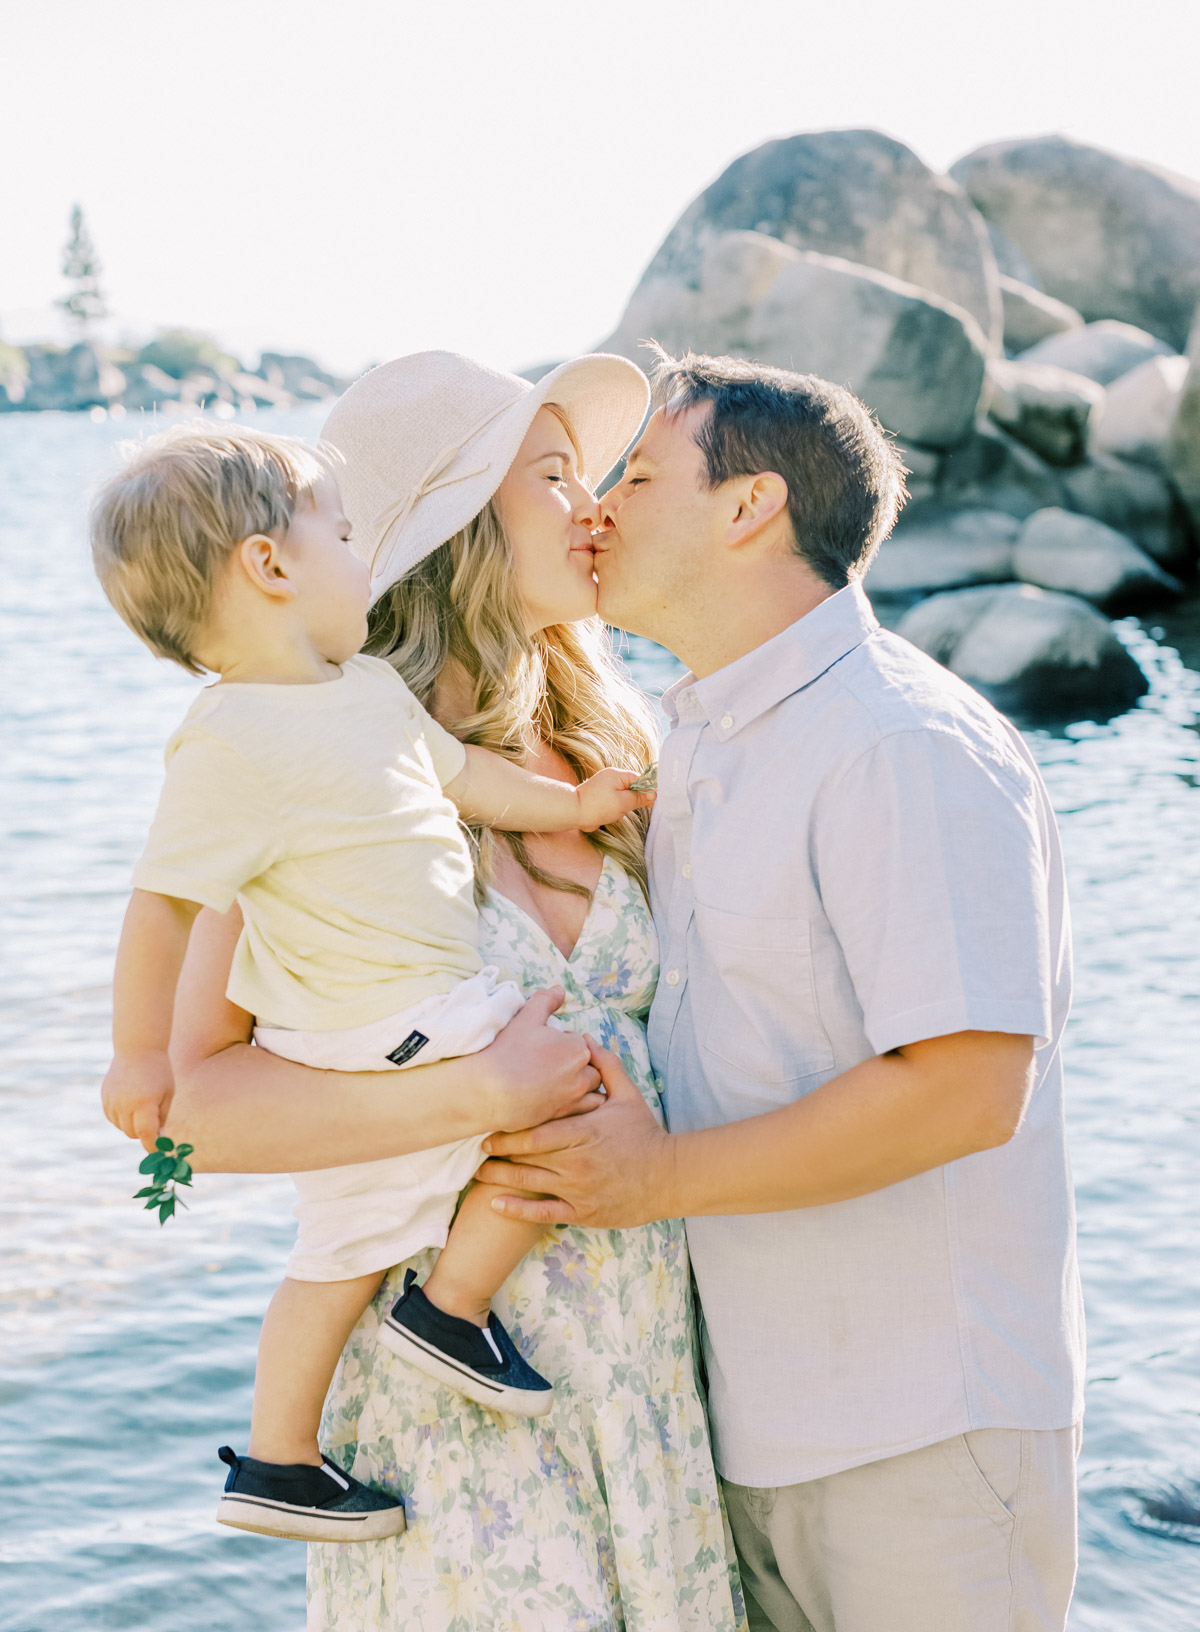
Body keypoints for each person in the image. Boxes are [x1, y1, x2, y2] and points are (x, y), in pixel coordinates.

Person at [478, 350, 1085, 1632]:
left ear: (749, 508)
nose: (597, 509)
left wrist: (653, 1181)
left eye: (635, 477)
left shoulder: (897, 744)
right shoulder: (696, 738)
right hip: (754, 1422)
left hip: (924, 1428)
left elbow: (971, 1089)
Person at [164, 352, 746, 1629]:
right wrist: (475, 1093)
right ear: (455, 523)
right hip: (453, 1404)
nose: (590, 504)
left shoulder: (619, 743)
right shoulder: (303, 764)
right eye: (551, 476)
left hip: (649, 1381)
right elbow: (185, 1106)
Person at [91, 416, 655, 1540]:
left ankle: (279, 1461)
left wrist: (579, 806)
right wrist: (138, 1055)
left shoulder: (369, 702)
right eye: (340, 533)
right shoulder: (237, 741)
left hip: (630, 1371)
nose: (590, 500)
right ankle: (449, 1308)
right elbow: (164, 907)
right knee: (569, 1069)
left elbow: (470, 782)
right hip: (384, 1025)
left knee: (340, 1253)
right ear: (271, 564)